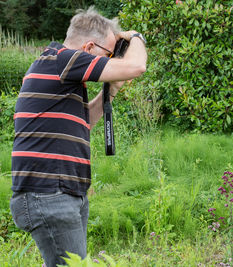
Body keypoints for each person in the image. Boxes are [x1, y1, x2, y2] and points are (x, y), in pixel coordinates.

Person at [9, 6, 147, 267]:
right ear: (88, 48)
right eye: (108, 54)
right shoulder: (64, 58)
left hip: (60, 194)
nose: (110, 61)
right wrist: (136, 36)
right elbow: (137, 66)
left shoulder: (63, 72)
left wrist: (111, 91)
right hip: (49, 195)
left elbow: (84, 125)